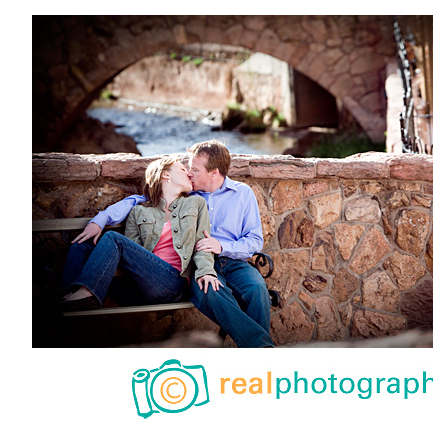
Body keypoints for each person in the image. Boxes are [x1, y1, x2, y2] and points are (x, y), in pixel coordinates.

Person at [71, 140, 275, 348]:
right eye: (187, 168)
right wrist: (101, 218)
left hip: (234, 260)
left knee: (257, 289)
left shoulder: (243, 193)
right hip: (199, 262)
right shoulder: (187, 193)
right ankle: (261, 348)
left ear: (213, 173)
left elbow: (254, 240)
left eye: (194, 169)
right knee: (210, 292)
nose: (189, 173)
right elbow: (142, 200)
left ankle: (259, 353)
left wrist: (222, 246)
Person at [60, 155, 214, 314]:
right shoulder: (139, 210)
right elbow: (132, 257)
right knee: (81, 246)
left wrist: (206, 272)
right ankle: (67, 297)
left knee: (113, 238)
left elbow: (202, 243)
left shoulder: (196, 203)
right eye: (183, 169)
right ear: (165, 175)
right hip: (142, 286)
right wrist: (98, 221)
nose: (189, 174)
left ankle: (87, 293)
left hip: (172, 284)